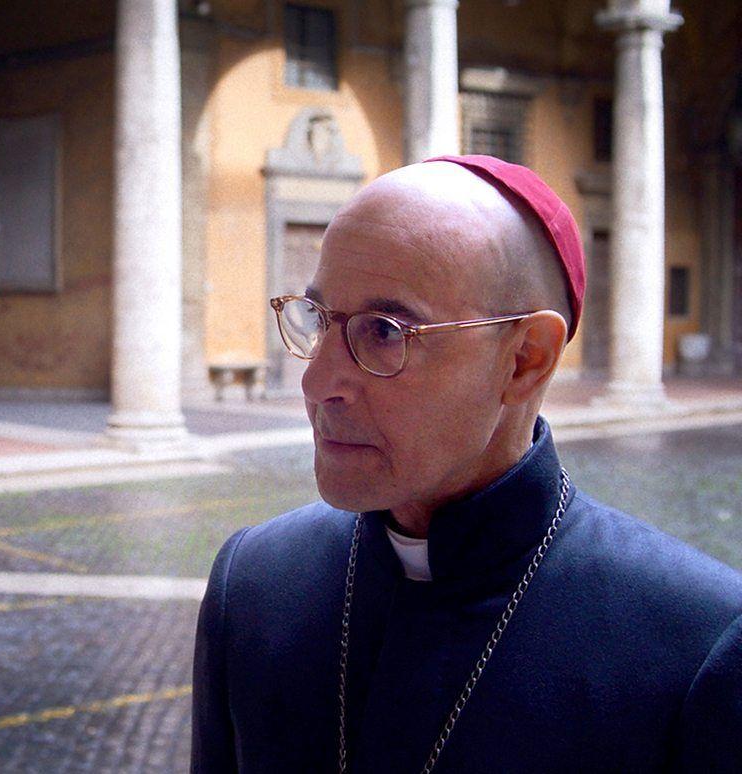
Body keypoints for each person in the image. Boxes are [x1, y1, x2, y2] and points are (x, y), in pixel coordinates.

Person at [191, 155, 742, 773]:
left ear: (525, 360)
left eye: (385, 331)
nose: (317, 381)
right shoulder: (254, 583)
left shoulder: (702, 646)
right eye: (318, 319)